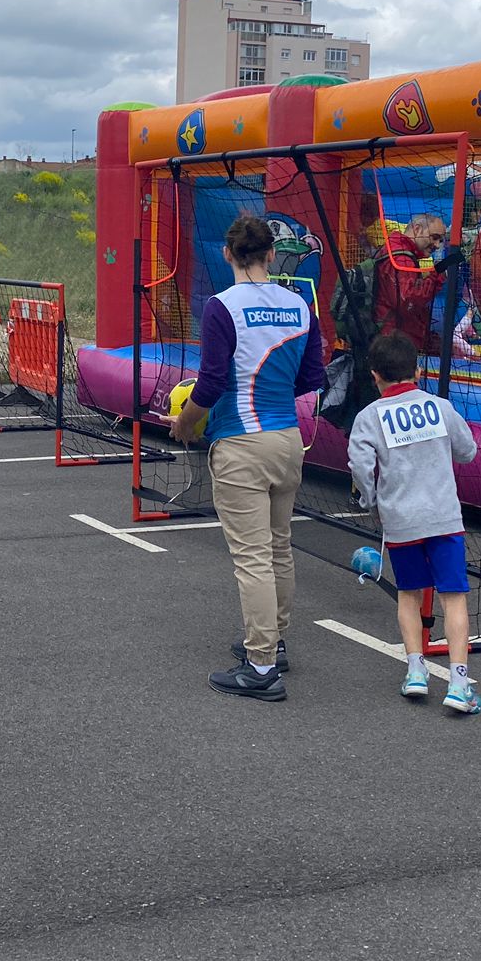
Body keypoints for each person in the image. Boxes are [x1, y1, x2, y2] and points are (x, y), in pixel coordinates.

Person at [169, 214, 325, 702]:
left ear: (228, 254)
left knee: (253, 557)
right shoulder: (300, 305)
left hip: (240, 443)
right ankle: (273, 644)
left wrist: (185, 422)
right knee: (279, 548)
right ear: (272, 255)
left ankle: (261, 667)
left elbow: (212, 382)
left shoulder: (222, 307)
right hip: (286, 439)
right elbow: (311, 377)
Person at [347, 333, 481, 714]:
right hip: (443, 518)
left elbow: (360, 466)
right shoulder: (439, 407)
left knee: (409, 594)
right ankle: (458, 682)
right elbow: (468, 452)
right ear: (418, 371)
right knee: (453, 597)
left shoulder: (369, 417)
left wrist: (370, 499)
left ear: (375, 375)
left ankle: (416, 672)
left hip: (401, 521)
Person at [372, 214, 448, 360]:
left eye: (440, 240)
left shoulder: (398, 251)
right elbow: (407, 301)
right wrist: (438, 274)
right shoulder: (401, 258)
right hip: (394, 347)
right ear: (417, 229)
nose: (437, 245)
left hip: (394, 342)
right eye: (434, 237)